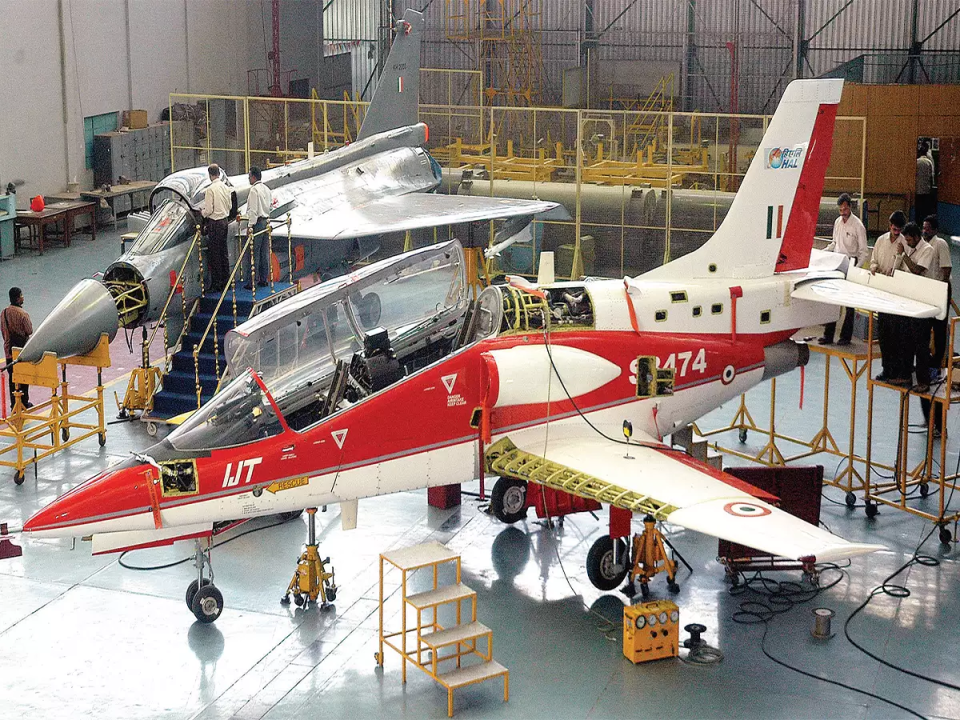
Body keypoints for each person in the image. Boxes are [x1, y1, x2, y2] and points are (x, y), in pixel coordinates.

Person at [820, 193, 868, 346]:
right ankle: (828, 335)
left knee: (849, 304)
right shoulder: (837, 222)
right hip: (837, 261)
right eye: (840, 210)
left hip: (851, 262)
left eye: (845, 209)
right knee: (832, 300)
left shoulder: (858, 225)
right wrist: (823, 253)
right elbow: (834, 243)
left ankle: (845, 337)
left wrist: (856, 269)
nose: (843, 213)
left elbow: (864, 252)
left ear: (850, 208)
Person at [896, 222, 937, 394]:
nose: (907, 242)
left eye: (909, 240)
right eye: (905, 240)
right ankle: (905, 375)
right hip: (909, 300)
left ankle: (923, 381)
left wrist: (903, 255)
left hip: (924, 302)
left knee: (921, 344)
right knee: (906, 340)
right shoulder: (910, 248)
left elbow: (917, 270)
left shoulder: (927, 250)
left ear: (917, 237)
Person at [870, 211, 908, 385]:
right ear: (890, 225)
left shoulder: (905, 243)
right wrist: (874, 267)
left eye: (899, 229)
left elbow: (906, 268)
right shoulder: (880, 241)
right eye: (894, 227)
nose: (896, 231)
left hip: (896, 294)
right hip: (882, 292)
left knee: (896, 334)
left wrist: (898, 264)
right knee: (884, 333)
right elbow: (873, 260)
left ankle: (897, 370)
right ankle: (886, 369)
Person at [201, 164, 232, 292]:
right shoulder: (225, 187)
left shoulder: (210, 190)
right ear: (218, 174)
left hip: (215, 223)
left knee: (215, 254)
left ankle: (217, 284)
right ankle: (226, 282)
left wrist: (202, 212)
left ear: (210, 175)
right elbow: (230, 206)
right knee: (223, 253)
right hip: (224, 222)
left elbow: (209, 210)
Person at [1, 287, 33, 409]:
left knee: (12, 378)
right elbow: (29, 330)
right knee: (24, 377)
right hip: (22, 351)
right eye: (21, 295)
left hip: (9, 351)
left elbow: (3, 330)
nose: (23, 297)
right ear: (18, 298)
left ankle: (14, 403)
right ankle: (24, 402)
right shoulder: (23, 314)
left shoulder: (4, 313)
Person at [245, 166, 273, 289]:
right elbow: (270, 206)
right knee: (264, 252)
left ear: (253, 177)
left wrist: (250, 225)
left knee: (254, 253)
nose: (248, 179)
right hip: (266, 221)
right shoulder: (267, 189)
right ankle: (264, 279)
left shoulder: (254, 190)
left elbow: (253, 210)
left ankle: (252, 281)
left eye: (249, 176)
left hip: (258, 223)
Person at [915, 140, 935, 222]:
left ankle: (918, 221)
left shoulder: (916, 162)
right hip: (926, 189)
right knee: (925, 208)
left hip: (917, 188)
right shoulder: (929, 162)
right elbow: (931, 175)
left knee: (918, 207)